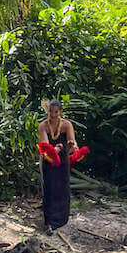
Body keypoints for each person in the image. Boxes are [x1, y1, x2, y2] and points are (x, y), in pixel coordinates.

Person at [38, 99, 78, 233]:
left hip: (63, 159)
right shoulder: (43, 125)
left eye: (56, 112)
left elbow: (72, 143)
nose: (53, 115)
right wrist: (53, 150)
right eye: (50, 111)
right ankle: (49, 221)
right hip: (49, 159)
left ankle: (61, 219)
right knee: (50, 187)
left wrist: (72, 145)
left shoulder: (67, 125)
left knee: (62, 187)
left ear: (60, 112)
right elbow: (45, 145)